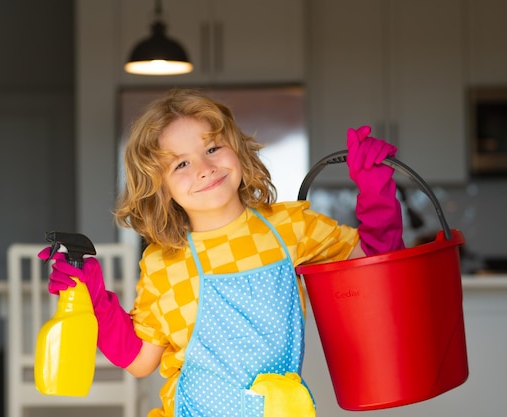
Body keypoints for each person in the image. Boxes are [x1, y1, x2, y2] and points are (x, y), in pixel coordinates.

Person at [39, 88, 405, 417]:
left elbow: (376, 263)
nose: (205, 168)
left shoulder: (291, 229)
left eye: (213, 148)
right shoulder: (163, 262)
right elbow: (139, 360)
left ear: (239, 153)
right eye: (181, 163)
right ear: (161, 188)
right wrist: (93, 297)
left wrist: (376, 192)